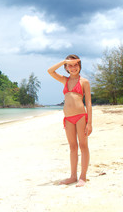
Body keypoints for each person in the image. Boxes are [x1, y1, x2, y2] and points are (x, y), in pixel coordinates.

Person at [48, 54, 93, 187]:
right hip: (68, 119)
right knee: (73, 147)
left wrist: (89, 123)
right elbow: (50, 71)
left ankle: (82, 176)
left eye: (75, 65)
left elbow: (89, 103)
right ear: (66, 68)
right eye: (70, 65)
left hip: (80, 117)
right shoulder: (65, 80)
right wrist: (64, 61)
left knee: (83, 146)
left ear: (80, 66)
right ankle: (73, 176)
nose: (73, 68)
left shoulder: (84, 82)